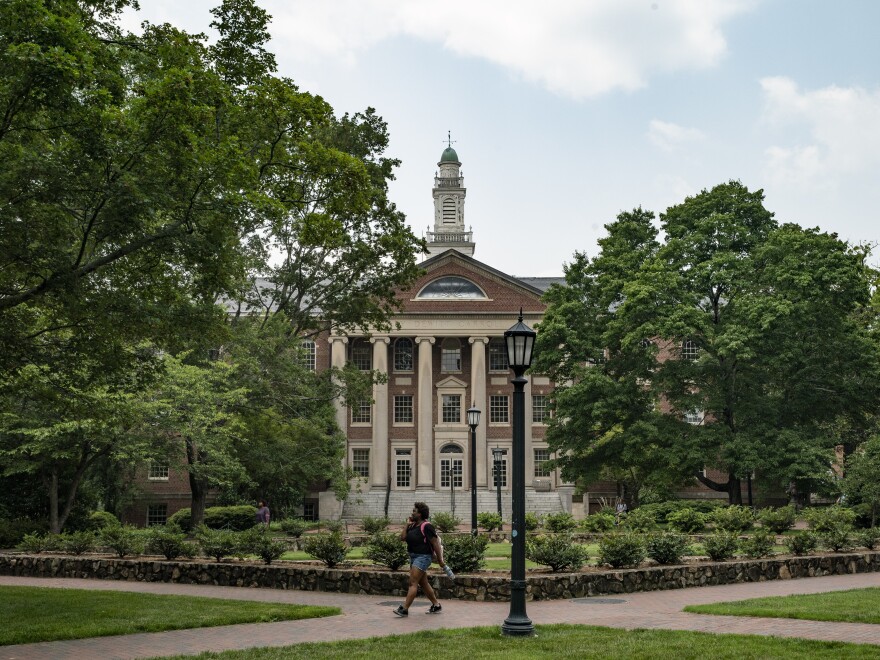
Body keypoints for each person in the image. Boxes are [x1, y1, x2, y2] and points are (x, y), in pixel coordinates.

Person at [393, 501, 447, 617]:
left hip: (423, 557)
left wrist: (440, 560)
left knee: (412, 583)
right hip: (413, 556)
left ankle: (404, 609)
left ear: (420, 514)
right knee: (423, 583)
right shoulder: (412, 526)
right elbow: (402, 538)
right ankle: (436, 605)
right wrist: (407, 525)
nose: (412, 513)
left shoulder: (427, 526)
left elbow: (435, 543)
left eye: (414, 511)